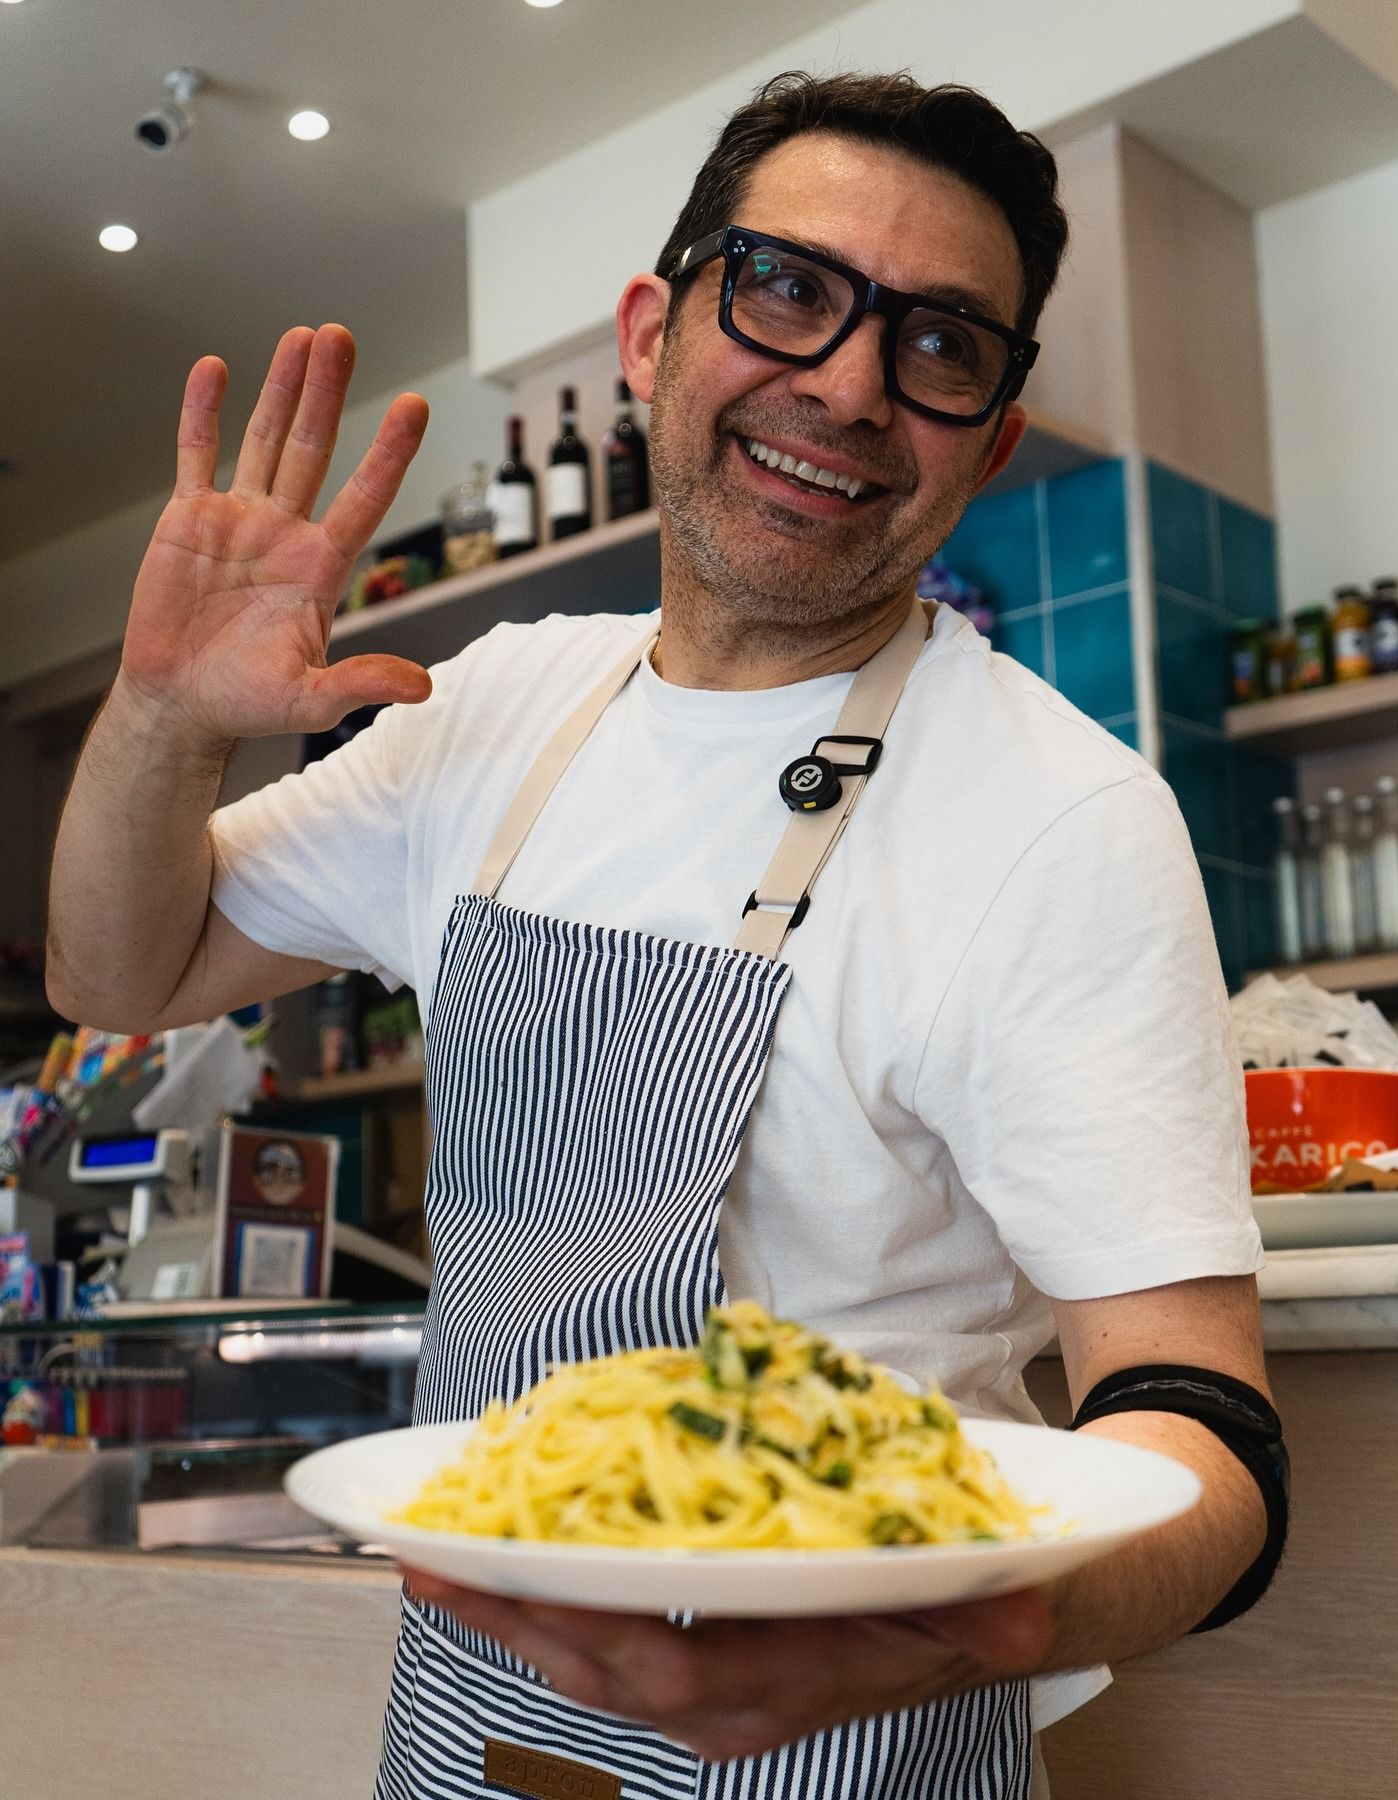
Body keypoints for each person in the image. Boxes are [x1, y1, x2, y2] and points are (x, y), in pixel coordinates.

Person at [48, 71, 1285, 1800]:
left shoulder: (1062, 817)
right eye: (788, 289)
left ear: (991, 438)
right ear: (653, 330)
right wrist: (167, 719)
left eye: (939, 347)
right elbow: (119, 975)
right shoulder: (492, 707)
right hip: (471, 1695)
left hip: (866, 1727)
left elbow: (1204, 1429)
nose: (848, 387)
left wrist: (949, 1634)